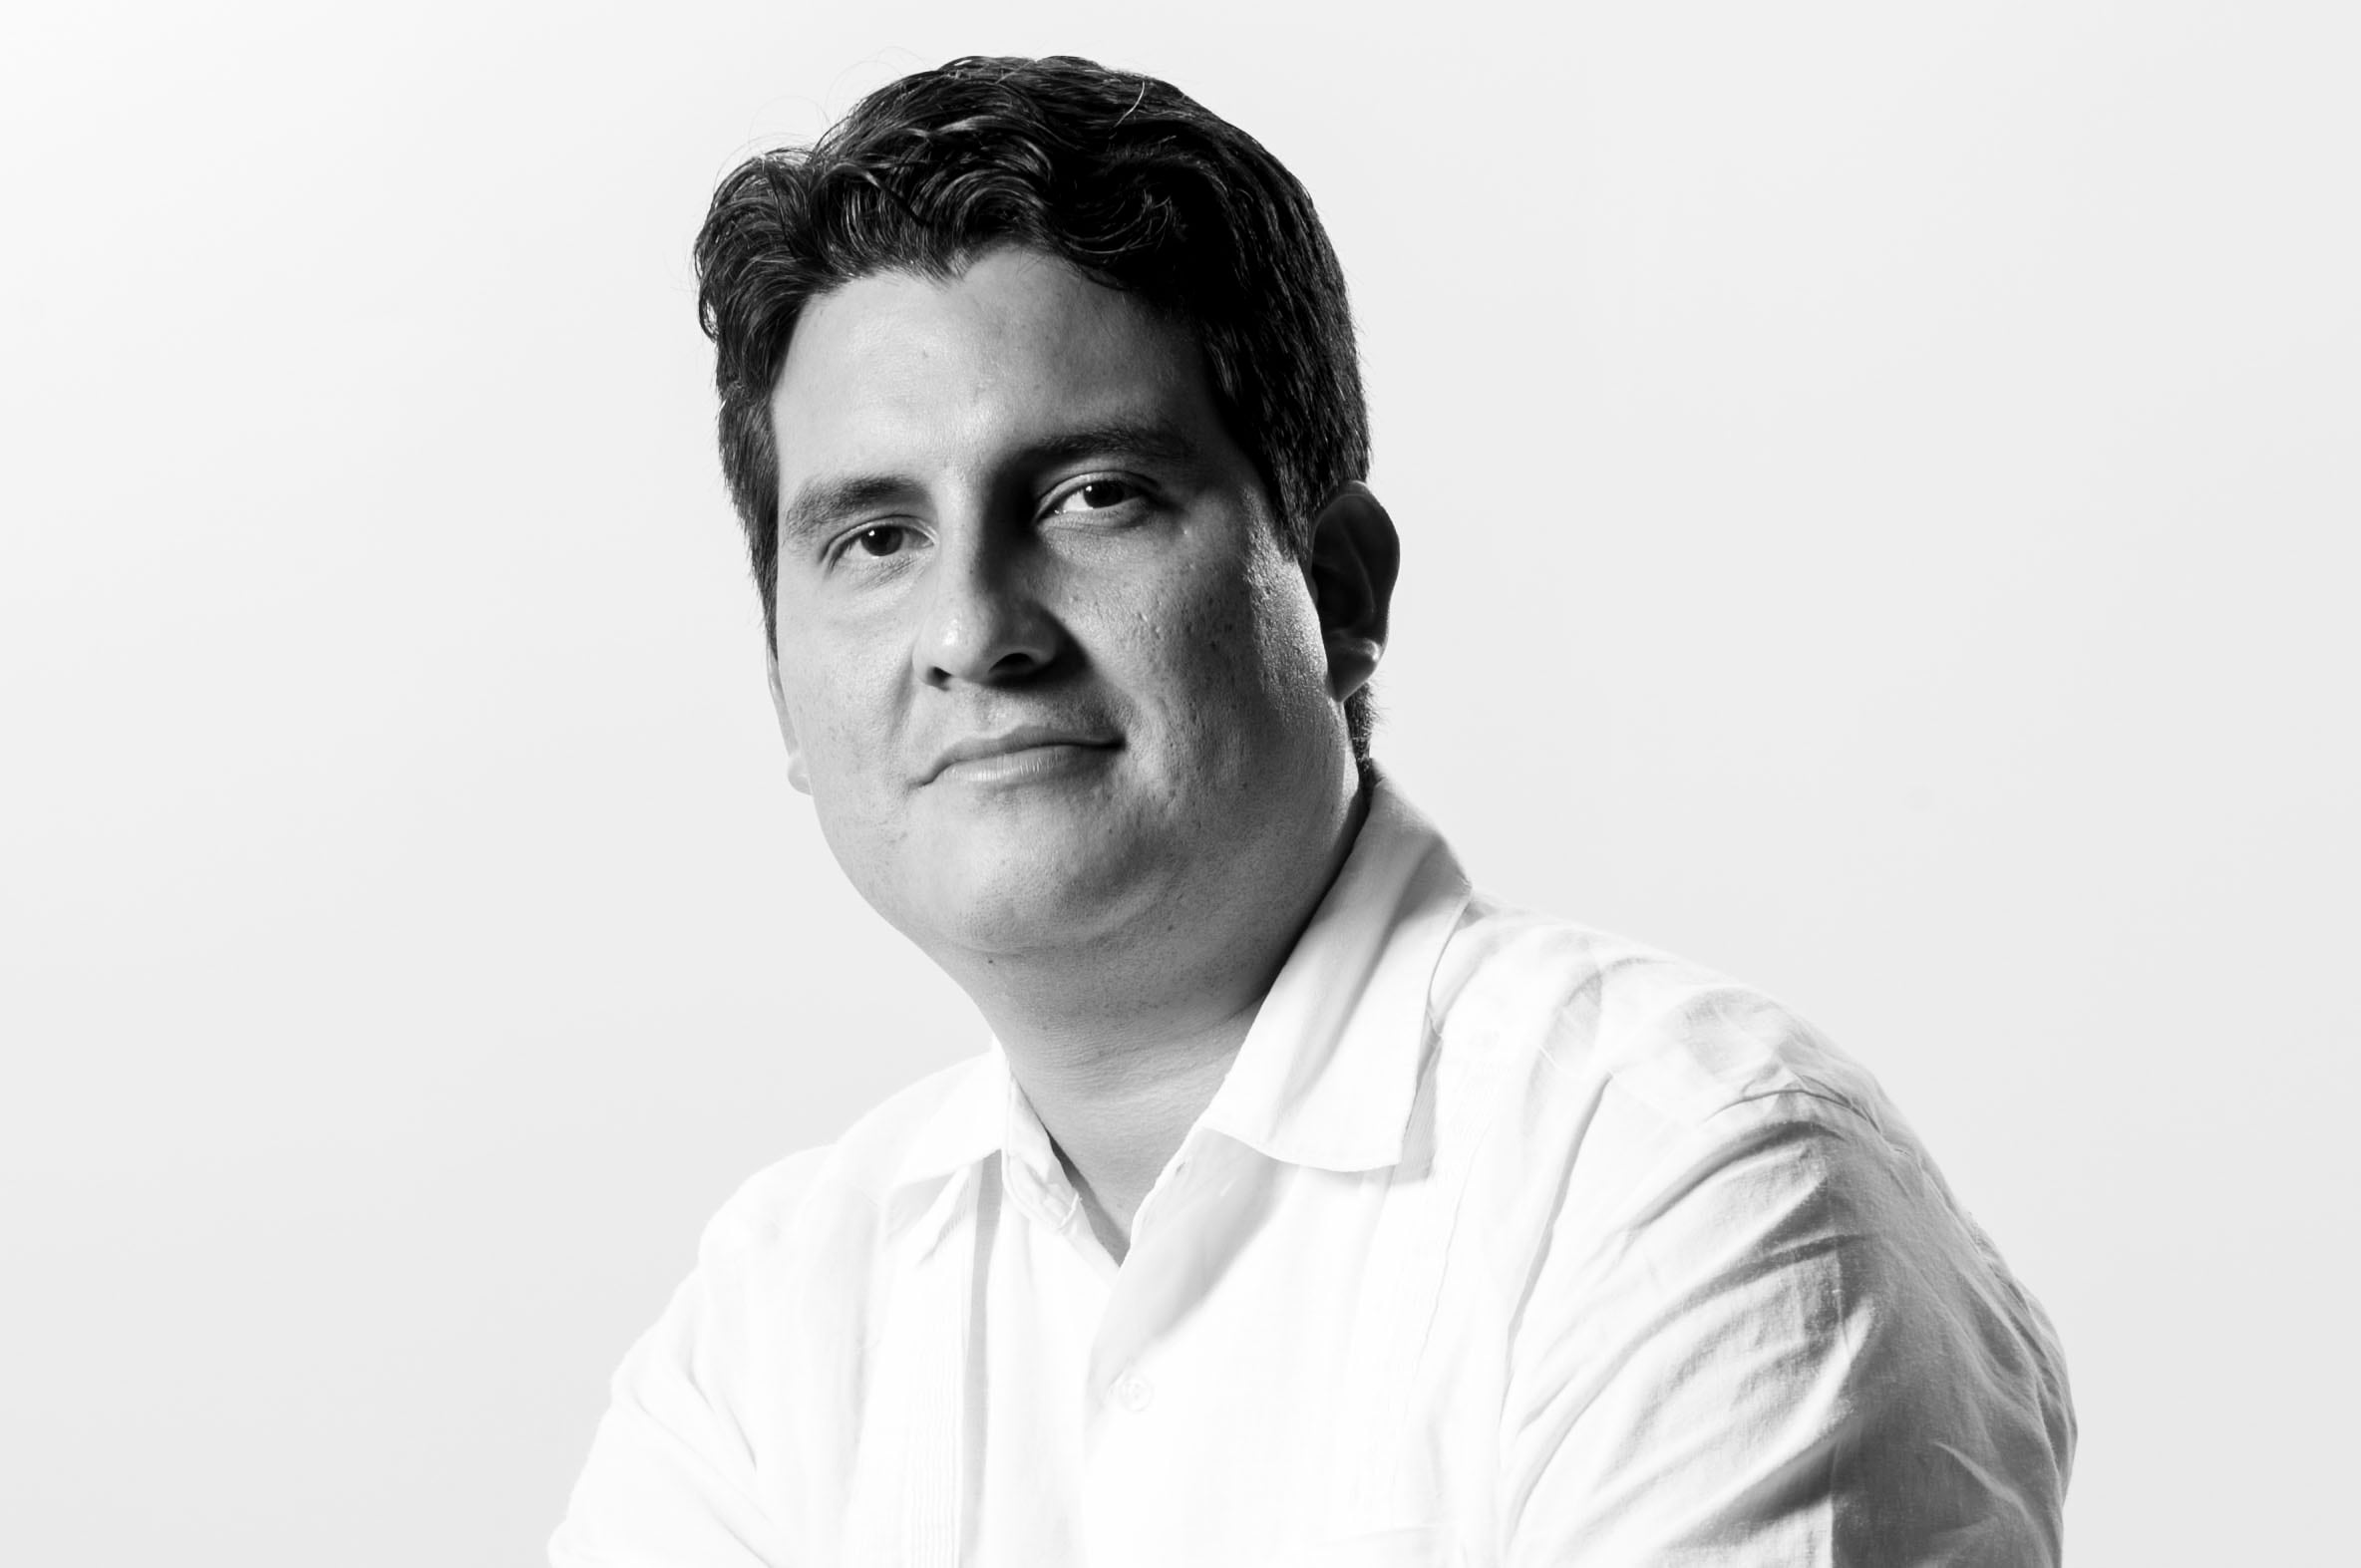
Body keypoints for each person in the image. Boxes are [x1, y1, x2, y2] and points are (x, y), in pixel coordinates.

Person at [551, 54, 2075, 1567]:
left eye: (1092, 495)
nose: (973, 629)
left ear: (1338, 592)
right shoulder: (770, 1329)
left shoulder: (1690, 1179)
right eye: (876, 536)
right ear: (783, 693)